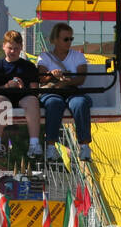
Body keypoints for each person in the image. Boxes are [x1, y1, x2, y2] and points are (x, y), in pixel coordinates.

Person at [37, 22, 94, 161]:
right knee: (54, 104)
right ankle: (51, 146)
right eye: (65, 39)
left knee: (80, 103)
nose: (69, 42)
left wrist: (65, 82)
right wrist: (52, 75)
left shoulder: (78, 56)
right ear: (55, 40)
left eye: (71, 39)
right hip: (52, 92)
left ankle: (84, 146)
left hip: (72, 91)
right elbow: (42, 78)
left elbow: (80, 79)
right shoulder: (44, 57)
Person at [0, 30, 43, 158]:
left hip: (23, 98)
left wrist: (23, 87)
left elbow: (34, 90)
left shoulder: (29, 67)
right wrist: (8, 86)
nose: (12, 51)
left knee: (33, 101)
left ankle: (34, 144)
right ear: (3, 47)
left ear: (21, 48)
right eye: (10, 48)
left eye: (16, 49)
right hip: (4, 97)